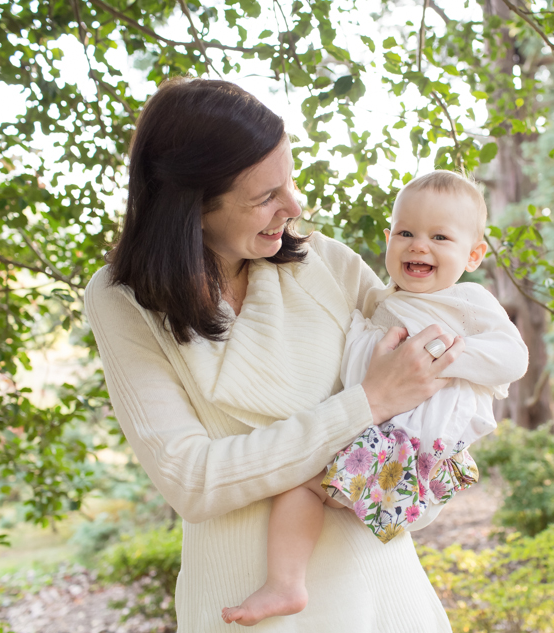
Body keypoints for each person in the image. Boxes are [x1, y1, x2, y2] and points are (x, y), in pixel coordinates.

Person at [85, 77, 464, 632]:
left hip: (381, 588)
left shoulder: (325, 262)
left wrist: (411, 488)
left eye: (288, 181)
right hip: (245, 598)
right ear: (191, 207)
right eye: (265, 197)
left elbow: (436, 389)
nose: (293, 206)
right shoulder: (123, 299)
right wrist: (366, 403)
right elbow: (193, 480)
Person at [221, 171, 529, 626]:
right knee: (305, 486)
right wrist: (367, 342)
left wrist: (433, 356)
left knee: (302, 485)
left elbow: (512, 358)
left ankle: (285, 583)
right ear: (387, 239)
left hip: (424, 447)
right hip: (386, 442)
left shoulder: (468, 301)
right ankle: (289, 584)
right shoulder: (381, 306)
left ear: (474, 254)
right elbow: (362, 377)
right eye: (405, 232)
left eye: (440, 237)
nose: (419, 246)